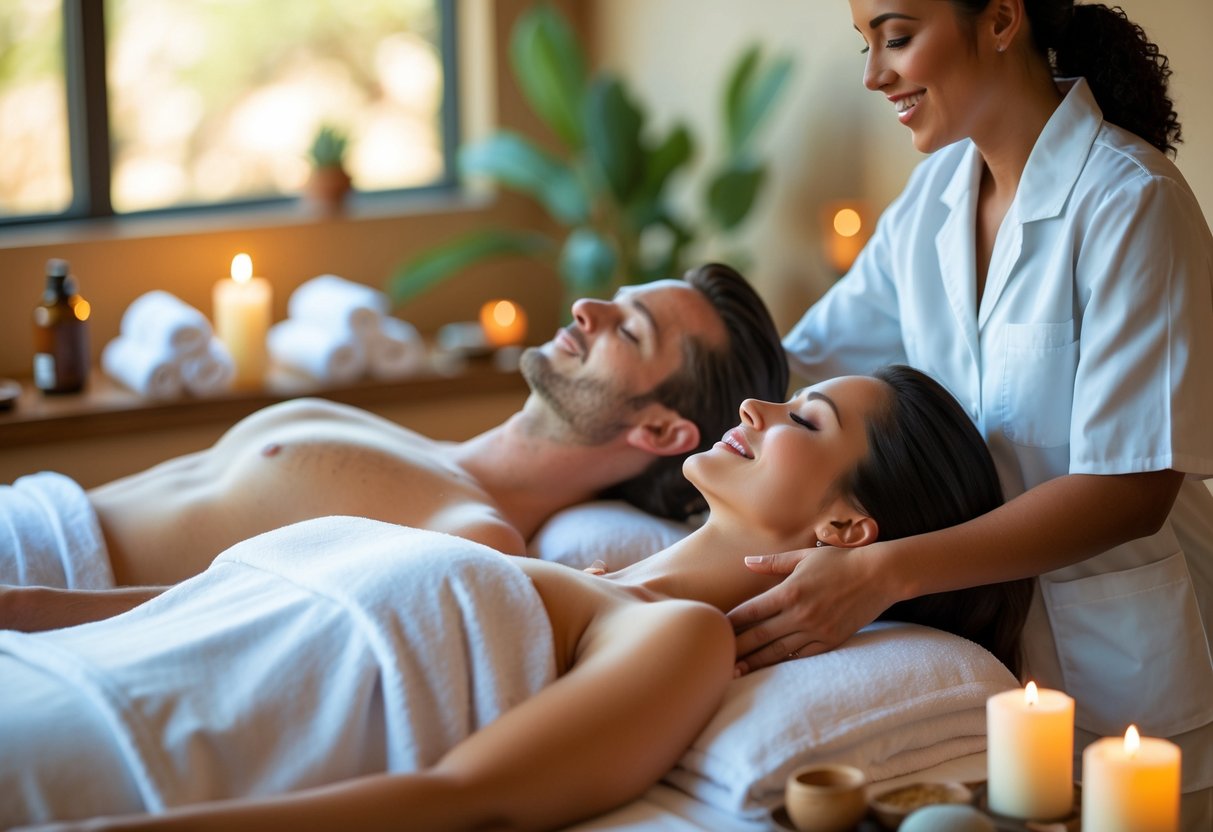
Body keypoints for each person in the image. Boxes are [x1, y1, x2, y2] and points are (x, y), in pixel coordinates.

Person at [0, 366, 1033, 830]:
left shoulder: (673, 638)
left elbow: (469, 801)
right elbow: (213, 601)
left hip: (106, 744)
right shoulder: (582, 570)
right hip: (51, 668)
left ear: (844, 532)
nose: (757, 406)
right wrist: (26, 610)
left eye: (803, 419)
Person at [727, 2, 1213, 827]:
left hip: (1125, 673)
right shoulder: (934, 200)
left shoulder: (1131, 201)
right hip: (984, 663)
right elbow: (805, 359)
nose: (874, 74)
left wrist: (881, 573)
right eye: (865, 44)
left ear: (998, 19)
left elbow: (1132, 487)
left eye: (896, 37)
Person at [0, 263, 788, 597]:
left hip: (43, 586)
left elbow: (219, 622)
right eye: (613, 298)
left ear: (658, 431)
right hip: (28, 513)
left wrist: (26, 615)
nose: (588, 308)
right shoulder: (427, 452)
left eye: (631, 329)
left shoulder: (470, 537)